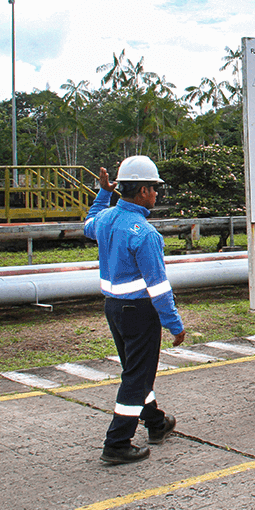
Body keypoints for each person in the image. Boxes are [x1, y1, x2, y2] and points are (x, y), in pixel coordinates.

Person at [84, 155, 184, 465]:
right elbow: (158, 287)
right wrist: (174, 324)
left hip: (114, 308)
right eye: (154, 189)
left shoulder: (106, 220)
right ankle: (117, 442)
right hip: (140, 312)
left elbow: (88, 223)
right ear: (142, 191)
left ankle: (155, 422)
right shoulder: (145, 233)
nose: (157, 194)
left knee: (136, 371)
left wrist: (103, 193)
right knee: (136, 377)